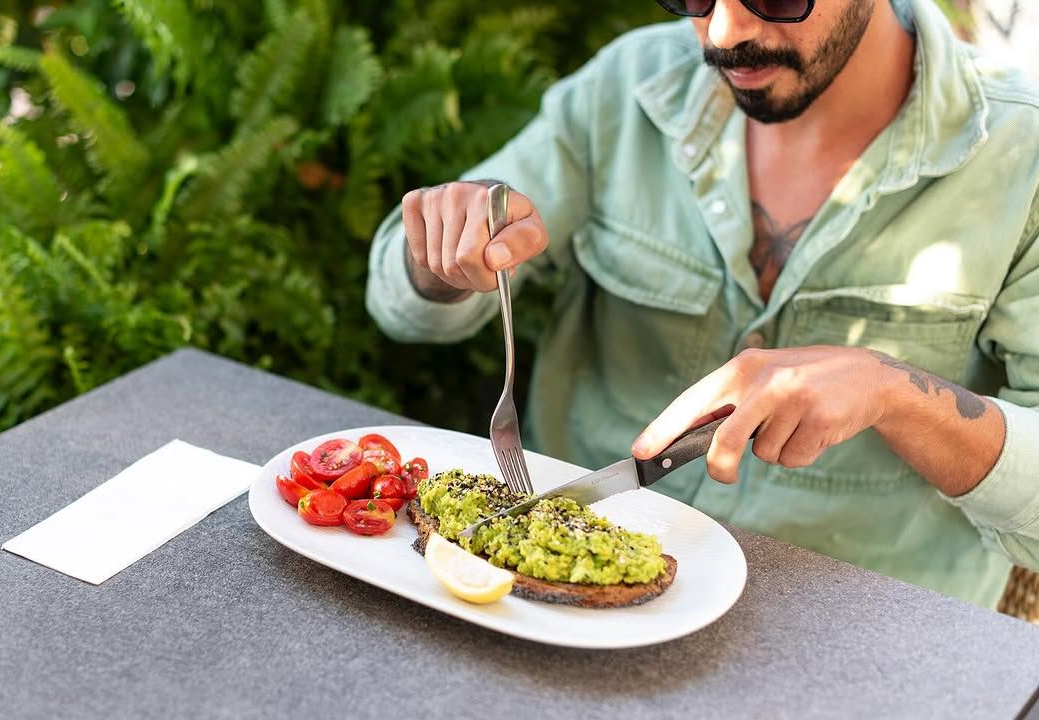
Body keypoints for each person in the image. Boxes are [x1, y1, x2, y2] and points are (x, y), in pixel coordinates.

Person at [365, 0, 1039, 608]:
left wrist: (892, 394)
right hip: (548, 608)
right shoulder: (630, 85)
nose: (723, 32)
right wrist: (448, 251)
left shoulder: (1021, 156)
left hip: (856, 642)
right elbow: (401, 308)